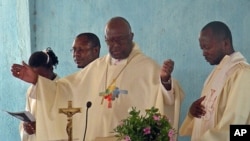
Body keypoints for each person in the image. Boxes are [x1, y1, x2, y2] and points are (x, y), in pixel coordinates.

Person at [11, 16, 184, 141]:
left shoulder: (147, 67)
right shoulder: (97, 67)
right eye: (110, 40)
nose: (115, 45)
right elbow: (65, 89)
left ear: (131, 37)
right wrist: (37, 80)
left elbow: (168, 100)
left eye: (120, 40)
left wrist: (165, 81)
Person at [179, 21, 250, 141]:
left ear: (225, 43)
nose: (203, 53)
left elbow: (235, 127)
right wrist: (193, 113)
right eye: (202, 48)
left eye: (207, 47)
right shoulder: (215, 73)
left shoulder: (242, 73)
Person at [20, 47, 60, 141]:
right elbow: (28, 115)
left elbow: (62, 121)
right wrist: (26, 126)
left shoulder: (61, 88)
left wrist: (40, 127)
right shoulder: (31, 90)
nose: (37, 79)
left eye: (41, 75)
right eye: (34, 75)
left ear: (51, 68)